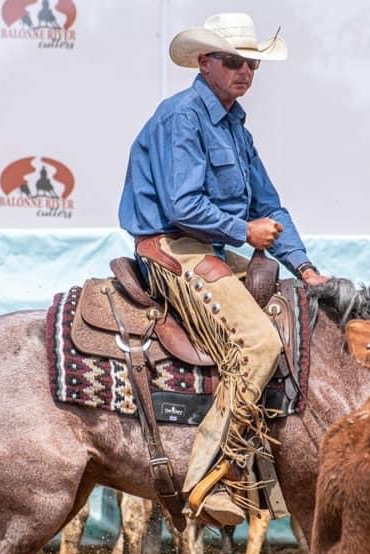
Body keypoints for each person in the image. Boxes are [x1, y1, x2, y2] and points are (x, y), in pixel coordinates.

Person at [118, 12, 328, 527]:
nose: (245, 72)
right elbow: (183, 204)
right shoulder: (181, 116)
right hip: (173, 246)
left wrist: (304, 267)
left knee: (297, 321)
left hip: (208, 244)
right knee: (259, 344)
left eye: (251, 64)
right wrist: (243, 231)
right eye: (234, 62)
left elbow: (270, 206)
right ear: (204, 62)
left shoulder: (234, 125)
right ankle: (207, 475)